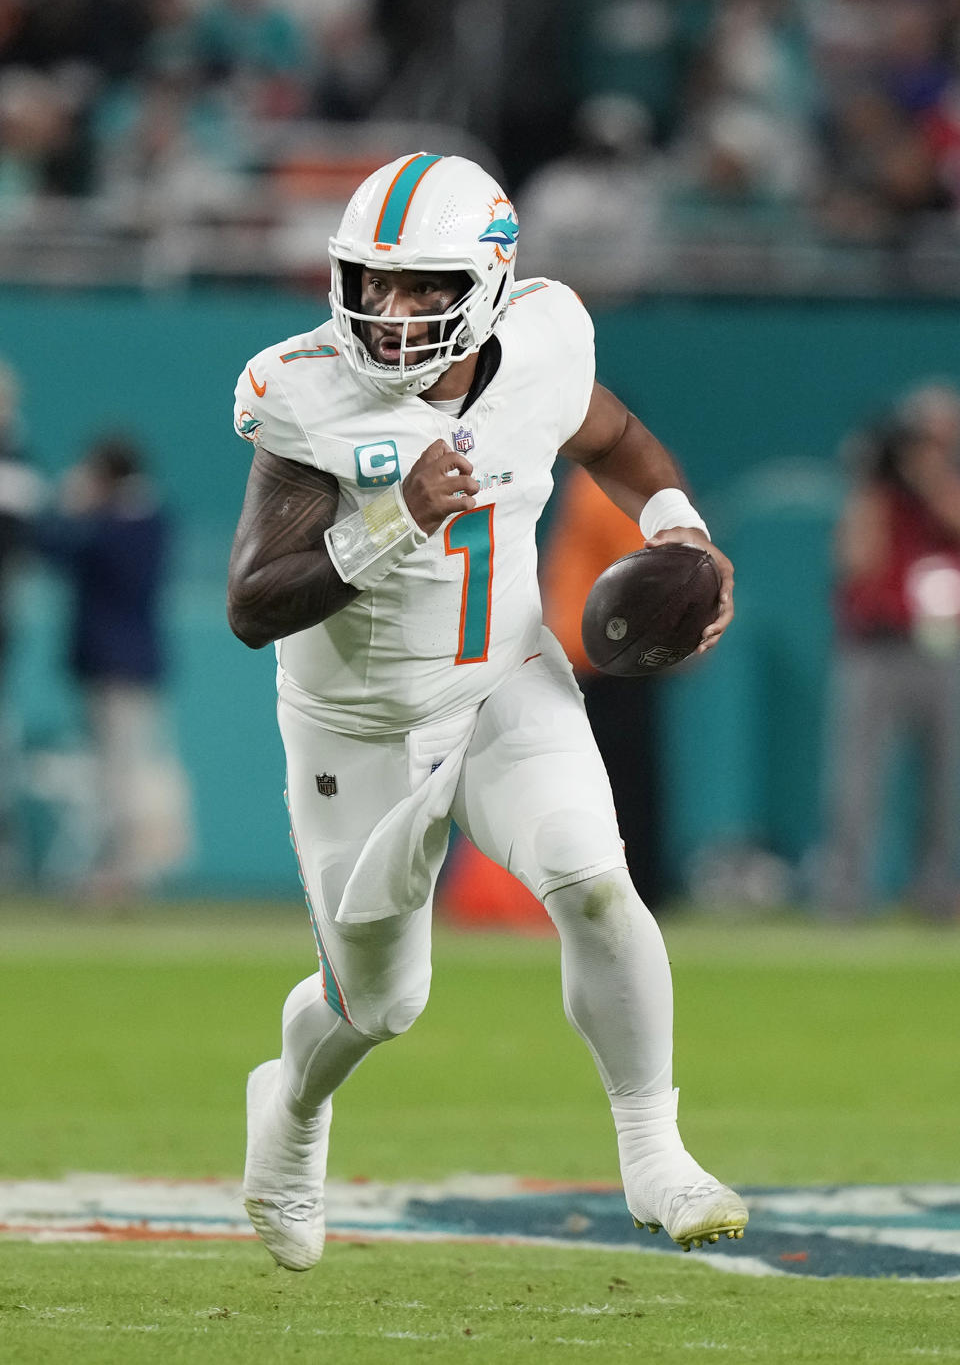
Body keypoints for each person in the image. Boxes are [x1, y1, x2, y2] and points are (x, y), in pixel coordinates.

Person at [227, 151, 747, 1272]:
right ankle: (294, 1106)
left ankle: (654, 1146)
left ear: (491, 287)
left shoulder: (545, 343)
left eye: (423, 288)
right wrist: (390, 519)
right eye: (373, 282)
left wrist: (680, 528)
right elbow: (250, 603)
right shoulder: (305, 387)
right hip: (355, 726)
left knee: (595, 883)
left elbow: (608, 433)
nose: (390, 312)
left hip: (506, 676)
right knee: (379, 1000)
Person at [820, 383, 960, 919]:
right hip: (874, 647)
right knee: (857, 779)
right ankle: (847, 893)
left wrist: (928, 475)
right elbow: (856, 560)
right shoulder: (877, 493)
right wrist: (874, 479)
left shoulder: (943, 484)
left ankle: (937, 892)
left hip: (940, 648)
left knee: (944, 781)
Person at [37, 435, 190, 905]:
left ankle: (124, 875)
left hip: (121, 667)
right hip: (118, 666)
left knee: (122, 775)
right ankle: (120, 870)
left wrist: (70, 508)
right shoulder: (134, 520)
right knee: (115, 773)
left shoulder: (130, 522)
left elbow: (60, 549)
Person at [540, 466, 667, 910]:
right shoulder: (624, 481)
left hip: (610, 656)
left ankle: (630, 886)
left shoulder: (604, 483)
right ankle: (631, 884)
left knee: (614, 782)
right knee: (623, 779)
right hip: (609, 654)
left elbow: (638, 571)